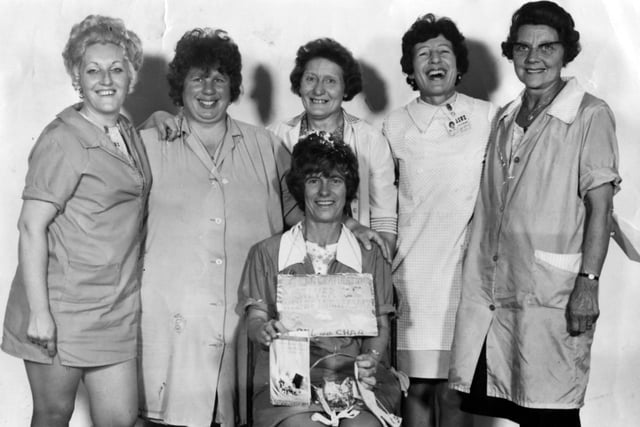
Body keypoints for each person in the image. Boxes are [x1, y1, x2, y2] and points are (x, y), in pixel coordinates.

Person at [448, 2, 621, 427]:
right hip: (496, 289)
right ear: (511, 53)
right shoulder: (506, 118)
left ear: (567, 53)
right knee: (508, 401)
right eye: (523, 48)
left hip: (554, 292)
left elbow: (600, 208)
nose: (533, 58)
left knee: (551, 412)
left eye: (547, 47)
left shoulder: (590, 114)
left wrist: (589, 284)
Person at [137, 28, 293, 427]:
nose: (209, 89)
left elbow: (306, 216)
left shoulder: (268, 147)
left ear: (233, 86)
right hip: (171, 324)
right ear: (180, 86)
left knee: (245, 415)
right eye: (198, 78)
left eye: (220, 78)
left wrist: (351, 231)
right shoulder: (148, 143)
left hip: (249, 325)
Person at [1, 15, 149, 427]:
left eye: (116, 69)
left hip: (113, 308)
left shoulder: (124, 129)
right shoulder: (62, 140)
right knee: (53, 415)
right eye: (93, 70)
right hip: (61, 308)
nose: (106, 79)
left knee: (119, 420)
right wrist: (39, 314)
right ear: (76, 78)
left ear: (130, 77)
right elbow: (31, 227)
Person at [240, 132, 401, 427]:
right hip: (290, 381)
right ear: (301, 188)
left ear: (347, 189)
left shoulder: (371, 255)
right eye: (314, 180)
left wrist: (372, 358)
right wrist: (262, 329)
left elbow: (380, 324)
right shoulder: (266, 252)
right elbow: (256, 316)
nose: (324, 191)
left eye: (335, 180)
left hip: (354, 377)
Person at [382, 13, 495, 427]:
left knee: (456, 390)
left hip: (467, 275)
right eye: (423, 53)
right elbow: (382, 205)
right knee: (416, 388)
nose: (434, 60)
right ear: (411, 68)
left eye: (443, 51)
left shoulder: (489, 117)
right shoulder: (393, 125)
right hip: (412, 276)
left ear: (458, 63)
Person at [269, 38, 398, 254]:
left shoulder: (371, 139)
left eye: (330, 81)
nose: (318, 90)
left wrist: (377, 265)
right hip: (290, 261)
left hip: (353, 260)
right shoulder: (273, 136)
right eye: (310, 79)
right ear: (299, 85)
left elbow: (384, 220)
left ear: (345, 88)